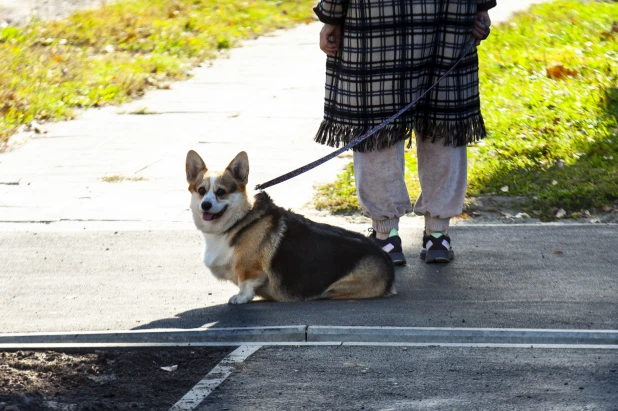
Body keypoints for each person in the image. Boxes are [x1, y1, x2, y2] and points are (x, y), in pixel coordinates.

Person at [313, 0, 495, 265]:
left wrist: (331, 17)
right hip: (448, 15)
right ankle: (438, 235)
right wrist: (481, 7)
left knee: (377, 122)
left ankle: (386, 237)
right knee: (442, 119)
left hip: (375, 19)